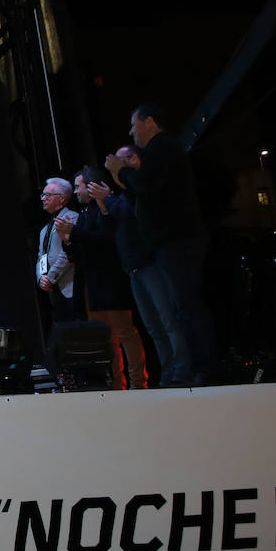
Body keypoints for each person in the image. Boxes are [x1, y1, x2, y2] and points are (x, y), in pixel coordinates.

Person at [105, 103, 217, 383]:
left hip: (177, 239)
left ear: (150, 122)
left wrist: (122, 172)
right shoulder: (161, 152)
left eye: (134, 124)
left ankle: (202, 367)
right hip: (168, 242)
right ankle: (192, 367)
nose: (132, 131)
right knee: (179, 308)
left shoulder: (162, 148)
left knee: (184, 306)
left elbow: (145, 183)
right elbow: (141, 192)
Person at [104, 145, 190, 385]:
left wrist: (107, 199)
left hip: (150, 264)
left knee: (168, 320)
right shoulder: (123, 193)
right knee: (153, 326)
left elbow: (128, 212)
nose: (115, 169)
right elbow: (113, 224)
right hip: (133, 268)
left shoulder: (139, 190)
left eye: (120, 163)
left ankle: (182, 369)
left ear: (133, 159)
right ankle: (169, 371)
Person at [57, 167, 148, 388]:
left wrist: (75, 233)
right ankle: (117, 383)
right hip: (93, 284)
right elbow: (82, 249)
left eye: (78, 187)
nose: (76, 192)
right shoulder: (86, 213)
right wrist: (68, 240)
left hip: (111, 280)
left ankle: (138, 382)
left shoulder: (105, 207)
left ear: (91, 186)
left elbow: (107, 239)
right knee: (107, 339)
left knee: (125, 333)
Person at [36, 178, 79, 323]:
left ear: (61, 198)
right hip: (53, 289)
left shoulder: (71, 218)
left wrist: (51, 276)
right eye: (42, 195)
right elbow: (41, 256)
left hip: (70, 285)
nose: (43, 198)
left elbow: (69, 252)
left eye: (48, 195)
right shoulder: (44, 230)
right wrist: (41, 277)